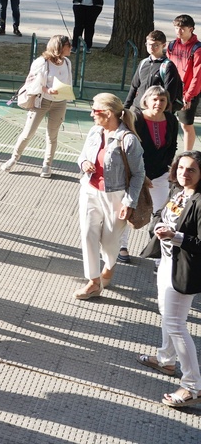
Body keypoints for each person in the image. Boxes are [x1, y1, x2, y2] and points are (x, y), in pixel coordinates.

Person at [138, 151, 201, 408]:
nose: (184, 173)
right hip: (166, 263)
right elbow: (163, 213)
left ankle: (193, 386)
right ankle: (166, 360)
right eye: (181, 168)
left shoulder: (199, 200)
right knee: (167, 316)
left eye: (191, 170)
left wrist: (174, 236)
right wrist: (157, 224)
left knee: (175, 324)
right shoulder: (178, 190)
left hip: (183, 269)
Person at [74, 93, 146, 300]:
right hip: (89, 190)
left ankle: (109, 265)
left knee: (110, 241)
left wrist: (129, 202)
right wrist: (84, 163)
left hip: (116, 195)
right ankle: (93, 282)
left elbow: (139, 173)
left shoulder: (129, 140)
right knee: (88, 234)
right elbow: (82, 155)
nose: (91, 114)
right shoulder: (95, 131)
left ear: (107, 113)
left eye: (95, 111)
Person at [121, 86, 180, 263]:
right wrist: (140, 174)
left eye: (162, 100)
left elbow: (173, 145)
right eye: (154, 99)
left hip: (160, 173)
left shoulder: (171, 119)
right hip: (135, 173)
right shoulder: (135, 117)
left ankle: (156, 254)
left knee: (161, 215)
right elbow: (127, 147)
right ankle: (122, 246)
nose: (158, 103)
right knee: (127, 208)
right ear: (146, 101)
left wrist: (168, 167)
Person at [2, 35, 73, 178]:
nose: (71, 47)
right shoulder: (42, 62)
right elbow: (33, 83)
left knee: (52, 136)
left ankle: (47, 165)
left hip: (60, 103)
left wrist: (64, 92)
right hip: (42, 101)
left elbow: (68, 81)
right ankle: (14, 159)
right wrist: (47, 90)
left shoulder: (67, 62)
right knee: (28, 132)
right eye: (68, 45)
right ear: (59, 47)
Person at [125, 30, 183, 112]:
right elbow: (134, 87)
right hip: (137, 108)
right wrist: (126, 108)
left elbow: (170, 94)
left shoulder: (168, 66)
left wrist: (162, 111)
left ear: (163, 45)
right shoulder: (143, 63)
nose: (151, 47)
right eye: (149, 44)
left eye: (156, 45)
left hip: (155, 111)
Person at [168, 15, 201, 150]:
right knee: (167, 121)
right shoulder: (172, 45)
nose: (179, 31)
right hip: (172, 90)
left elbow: (198, 76)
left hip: (188, 93)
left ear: (191, 29)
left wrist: (189, 96)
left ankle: (187, 153)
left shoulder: (197, 49)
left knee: (186, 124)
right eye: (176, 28)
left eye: (182, 28)